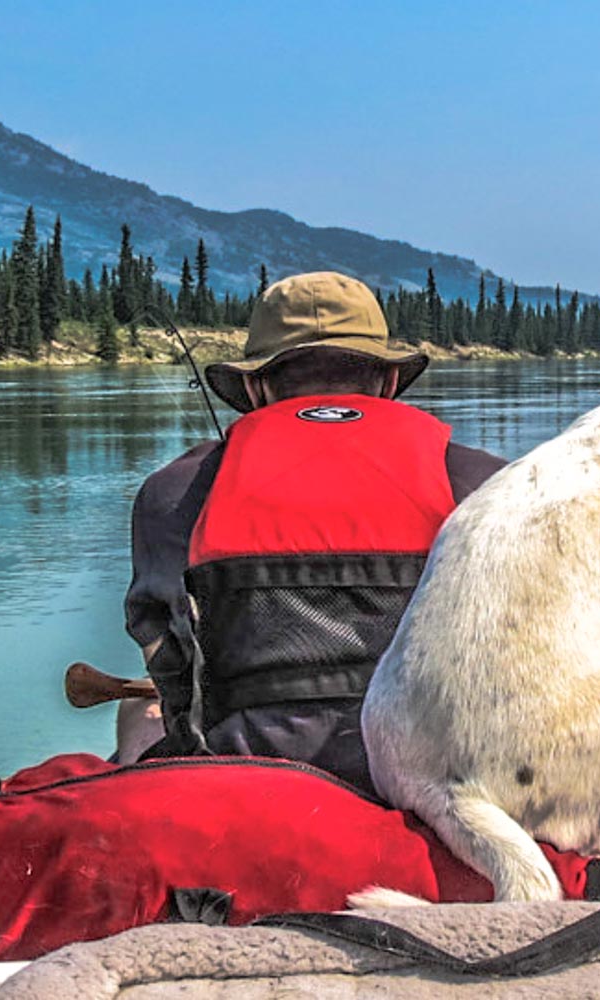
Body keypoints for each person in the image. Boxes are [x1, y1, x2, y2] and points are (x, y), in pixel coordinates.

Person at [121, 271, 507, 789]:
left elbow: (171, 670)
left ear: (255, 385)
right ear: (390, 382)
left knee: (134, 717)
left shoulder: (170, 494)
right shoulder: (489, 484)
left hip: (240, 786)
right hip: (447, 794)